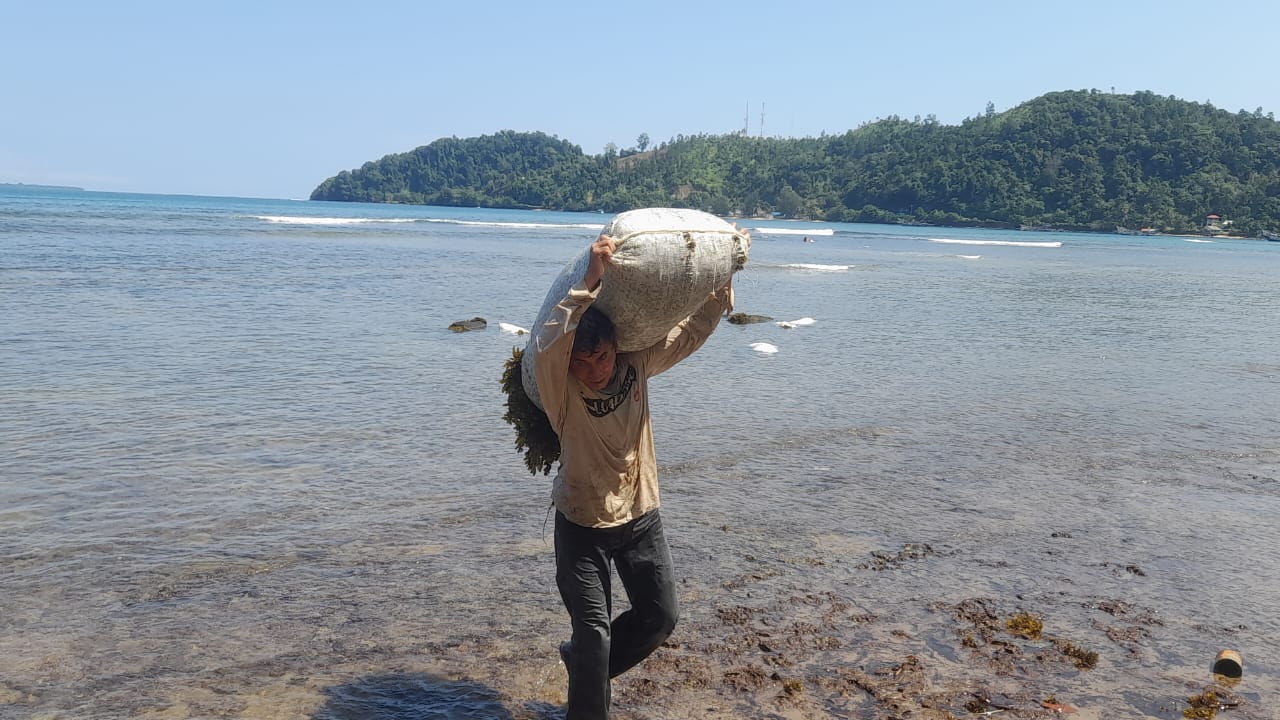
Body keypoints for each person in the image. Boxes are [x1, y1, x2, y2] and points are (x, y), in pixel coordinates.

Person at [531, 233, 737, 719]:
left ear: (614, 348)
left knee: (659, 619)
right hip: (581, 526)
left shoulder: (636, 363)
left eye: (599, 357)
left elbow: (689, 334)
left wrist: (721, 285)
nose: (592, 369)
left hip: (641, 517)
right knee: (594, 634)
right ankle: (587, 678)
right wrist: (590, 280)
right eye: (581, 362)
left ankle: (582, 663)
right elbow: (547, 346)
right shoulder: (561, 388)